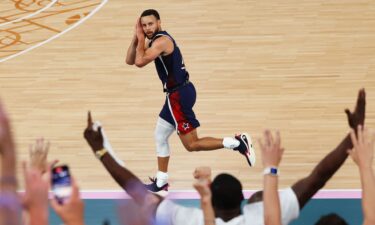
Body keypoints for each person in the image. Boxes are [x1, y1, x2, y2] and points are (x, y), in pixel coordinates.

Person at [83, 88, 366, 225]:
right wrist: (354, 132)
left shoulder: (188, 219)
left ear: (209, 201)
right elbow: (317, 178)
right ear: (244, 202)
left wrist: (101, 150)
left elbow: (136, 191)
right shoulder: (262, 217)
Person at [125, 9, 256, 193]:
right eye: (144, 25)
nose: (147, 28)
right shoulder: (152, 40)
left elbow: (139, 62)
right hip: (179, 93)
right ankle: (161, 181)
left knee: (192, 145)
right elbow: (129, 60)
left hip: (177, 96)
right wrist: (135, 37)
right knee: (160, 136)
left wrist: (140, 38)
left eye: (150, 24)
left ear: (159, 23)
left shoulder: (162, 41)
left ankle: (238, 143)